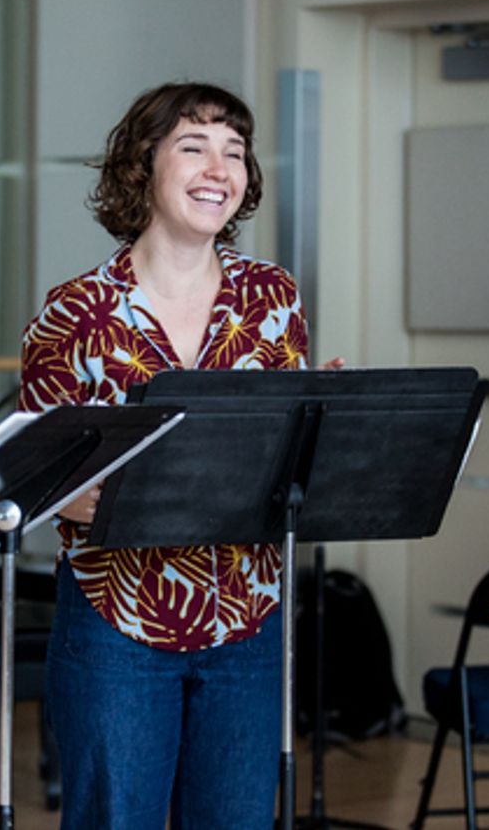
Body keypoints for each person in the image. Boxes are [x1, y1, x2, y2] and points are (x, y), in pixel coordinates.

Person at [19, 82, 310, 829]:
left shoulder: (273, 298)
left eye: (234, 151)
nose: (220, 167)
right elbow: (40, 481)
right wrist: (143, 489)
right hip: (118, 623)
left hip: (249, 615)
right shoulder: (71, 314)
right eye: (194, 146)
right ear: (142, 165)